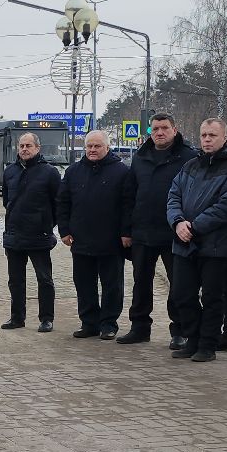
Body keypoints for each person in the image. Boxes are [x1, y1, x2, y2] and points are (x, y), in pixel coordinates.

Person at [166, 119, 227, 361]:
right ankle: (192, 338)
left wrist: (194, 226)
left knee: (212, 297)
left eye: (212, 135)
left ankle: (208, 344)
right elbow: (173, 196)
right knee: (182, 293)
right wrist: (178, 222)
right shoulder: (190, 165)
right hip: (184, 243)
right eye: (204, 135)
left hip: (215, 245)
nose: (207, 139)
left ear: (225, 137)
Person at [121, 114, 196, 346]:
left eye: (164, 128)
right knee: (141, 281)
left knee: (179, 284)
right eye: (155, 129)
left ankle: (180, 330)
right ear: (150, 132)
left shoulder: (189, 157)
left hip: (175, 231)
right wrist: (126, 230)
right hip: (143, 231)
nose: (160, 132)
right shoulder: (141, 157)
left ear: (175, 129)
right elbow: (129, 196)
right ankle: (140, 327)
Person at [57, 130, 135, 340]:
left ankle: (108, 324)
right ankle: (89, 323)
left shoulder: (121, 172)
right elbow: (63, 202)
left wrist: (127, 233)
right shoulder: (73, 171)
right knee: (84, 285)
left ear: (107, 148)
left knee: (112, 286)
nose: (92, 150)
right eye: (89, 146)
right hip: (81, 240)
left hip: (111, 241)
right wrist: (64, 230)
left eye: (97, 146)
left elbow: (128, 205)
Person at [1, 133, 61, 332]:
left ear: (37, 148)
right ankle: (17, 318)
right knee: (15, 281)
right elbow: (6, 202)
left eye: (29, 145)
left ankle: (46, 319)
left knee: (44, 279)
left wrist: (46, 224)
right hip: (14, 236)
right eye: (21, 145)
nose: (24, 149)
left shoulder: (49, 172)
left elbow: (57, 204)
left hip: (39, 237)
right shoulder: (10, 171)